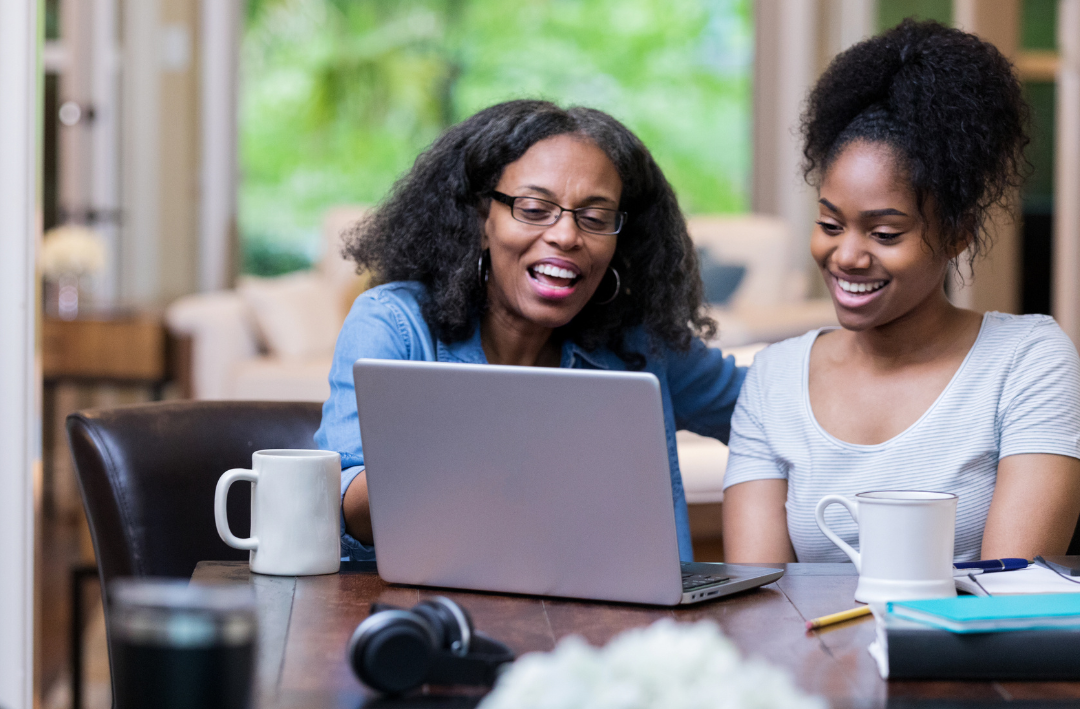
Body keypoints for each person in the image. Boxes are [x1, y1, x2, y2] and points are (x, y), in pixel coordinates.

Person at [316, 100, 744, 562]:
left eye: (595, 218)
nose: (566, 235)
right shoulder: (395, 325)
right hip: (443, 603)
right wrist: (478, 451)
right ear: (481, 219)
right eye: (535, 208)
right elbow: (338, 507)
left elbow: (764, 405)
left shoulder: (640, 343)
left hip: (622, 605)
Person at [722, 20, 1080, 564]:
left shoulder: (1027, 360)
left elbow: (1010, 591)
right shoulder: (774, 379)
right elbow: (758, 591)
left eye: (885, 233)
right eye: (830, 224)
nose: (847, 255)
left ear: (957, 234)